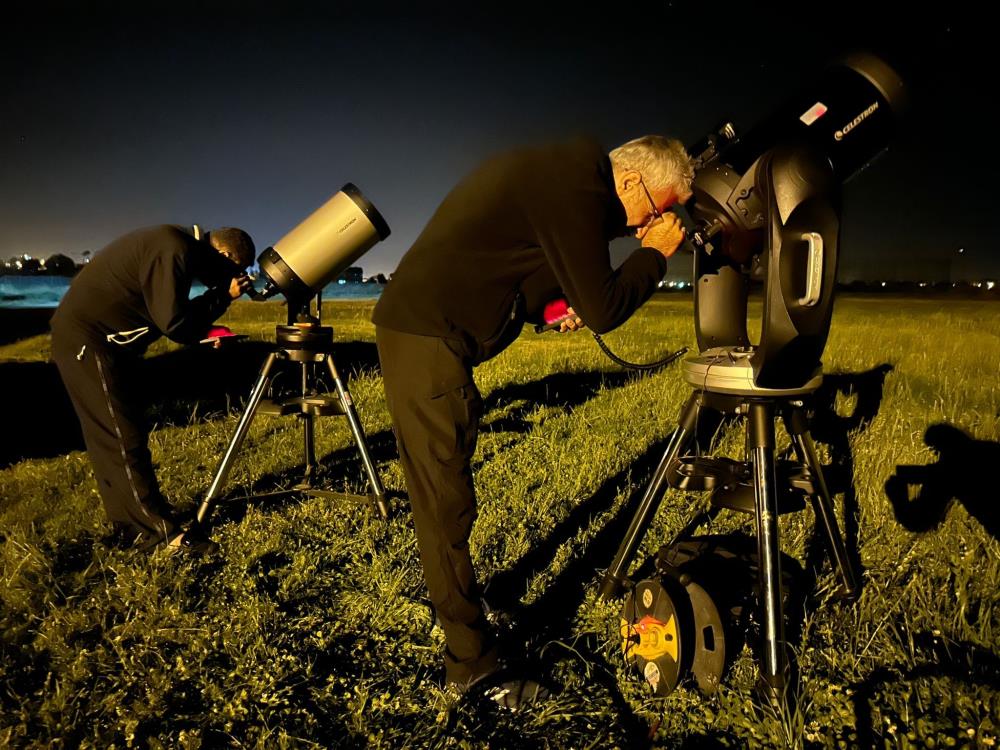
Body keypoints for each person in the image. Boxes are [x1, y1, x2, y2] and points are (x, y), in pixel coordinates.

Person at [372, 135, 694, 707]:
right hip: (425, 338)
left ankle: (465, 606)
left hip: (429, 330)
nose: (651, 223)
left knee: (446, 496)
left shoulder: (566, 177)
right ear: (630, 182)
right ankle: (469, 664)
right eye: (658, 209)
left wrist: (552, 306)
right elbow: (607, 307)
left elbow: (517, 264)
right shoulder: (576, 187)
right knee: (443, 502)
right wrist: (656, 255)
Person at [50, 225, 255, 554]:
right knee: (122, 435)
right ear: (225, 256)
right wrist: (222, 297)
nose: (231, 277)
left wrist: (209, 322)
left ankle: (129, 527)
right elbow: (174, 323)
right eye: (235, 269)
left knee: (111, 436)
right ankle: (159, 536)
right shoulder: (174, 249)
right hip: (90, 340)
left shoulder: (175, 244)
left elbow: (164, 313)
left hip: (95, 339)